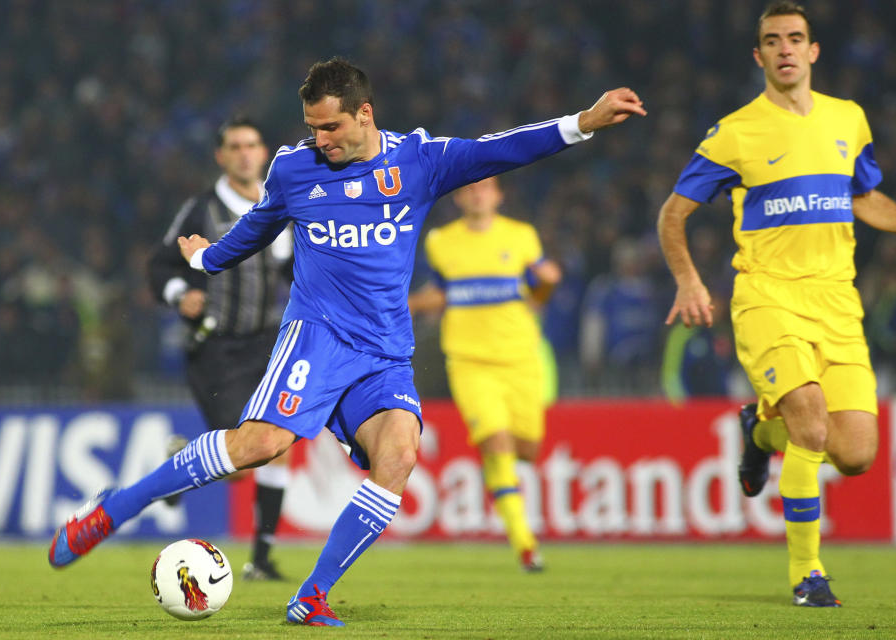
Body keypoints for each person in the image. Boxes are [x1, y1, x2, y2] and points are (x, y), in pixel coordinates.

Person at [48, 57, 645, 626]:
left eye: (330, 126)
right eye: (312, 127)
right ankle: (112, 509)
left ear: (365, 113)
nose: (320, 139)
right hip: (317, 338)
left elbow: (501, 148)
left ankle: (312, 596)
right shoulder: (294, 167)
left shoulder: (420, 161)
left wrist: (581, 123)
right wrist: (207, 259)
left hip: (385, 353)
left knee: (400, 453)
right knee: (258, 446)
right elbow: (256, 227)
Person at [657, 1, 896, 608]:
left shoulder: (848, 120)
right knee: (810, 420)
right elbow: (673, 214)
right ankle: (807, 575)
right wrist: (688, 280)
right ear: (759, 56)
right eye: (773, 40)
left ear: (813, 52)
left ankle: (760, 433)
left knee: (855, 453)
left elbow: (866, 198)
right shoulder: (736, 132)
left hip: (837, 301)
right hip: (767, 297)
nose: (785, 48)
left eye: (796, 38)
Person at [146, 116, 293, 581]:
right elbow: (160, 265)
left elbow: (291, 271)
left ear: (264, 152)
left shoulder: (281, 204)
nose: (246, 153)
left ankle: (263, 558)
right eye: (236, 146)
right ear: (222, 156)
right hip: (217, 349)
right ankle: (184, 457)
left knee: (277, 443)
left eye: (253, 144)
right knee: (240, 456)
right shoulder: (201, 210)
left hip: (269, 343)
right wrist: (178, 294)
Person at [408, 175, 561, 572]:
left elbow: (537, 293)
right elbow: (442, 293)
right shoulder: (441, 242)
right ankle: (525, 544)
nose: (477, 193)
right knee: (496, 442)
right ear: (459, 197)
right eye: (470, 188)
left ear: (498, 195)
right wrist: (405, 305)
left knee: (525, 449)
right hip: (469, 360)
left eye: (485, 187)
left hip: (520, 358)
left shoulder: (522, 236)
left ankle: (496, 467)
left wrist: (547, 285)